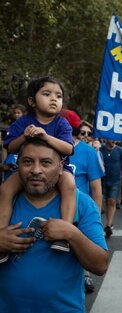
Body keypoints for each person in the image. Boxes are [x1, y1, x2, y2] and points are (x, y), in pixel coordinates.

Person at [0, 138, 108, 312]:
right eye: (27, 162)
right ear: (17, 164)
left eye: (46, 163)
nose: (36, 170)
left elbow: (100, 265)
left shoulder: (81, 204)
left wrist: (72, 234)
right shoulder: (4, 201)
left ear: (60, 168)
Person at [0, 76, 77, 261]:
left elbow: (69, 148)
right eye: (47, 94)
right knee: (5, 189)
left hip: (58, 171)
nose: (54, 99)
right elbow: (10, 146)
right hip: (26, 170)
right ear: (32, 101)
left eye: (58, 96)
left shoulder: (61, 123)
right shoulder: (23, 122)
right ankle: (2, 235)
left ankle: (65, 233)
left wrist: (45, 137)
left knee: (70, 184)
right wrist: (24, 137)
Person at [65, 110, 105, 294]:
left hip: (80, 211)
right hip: (52, 210)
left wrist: (93, 217)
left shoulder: (88, 152)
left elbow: (97, 189)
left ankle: (85, 275)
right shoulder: (46, 149)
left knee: (82, 245)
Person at [100, 139, 122, 238]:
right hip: (103, 181)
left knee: (112, 201)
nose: (113, 141)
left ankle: (108, 224)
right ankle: (110, 224)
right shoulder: (100, 150)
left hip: (115, 181)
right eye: (110, 139)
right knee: (106, 202)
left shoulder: (120, 150)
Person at [1, 104, 27, 183]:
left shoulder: (27, 126)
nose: (16, 115)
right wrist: (4, 161)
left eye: (18, 113)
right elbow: (4, 147)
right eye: (15, 113)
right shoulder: (12, 127)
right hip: (12, 157)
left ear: (24, 114)